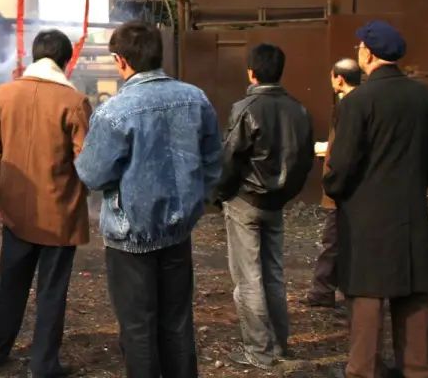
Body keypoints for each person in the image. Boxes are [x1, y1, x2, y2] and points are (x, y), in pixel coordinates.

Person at [75, 21, 221, 378]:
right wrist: (193, 200)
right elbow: (213, 163)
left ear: (120, 60)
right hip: (179, 232)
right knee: (177, 323)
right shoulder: (195, 99)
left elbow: (92, 174)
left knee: (138, 329)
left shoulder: (114, 112)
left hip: (131, 238)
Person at [324, 20, 428, 378]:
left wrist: (336, 188)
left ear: (368, 53)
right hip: (410, 205)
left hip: (365, 211)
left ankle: (363, 369)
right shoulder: (426, 97)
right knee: (413, 289)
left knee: (366, 291)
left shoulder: (357, 102)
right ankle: (416, 368)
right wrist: (417, 180)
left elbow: (343, 163)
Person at [0, 30, 93, 378]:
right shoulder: (74, 101)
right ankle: (43, 365)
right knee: (51, 292)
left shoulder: (3, 94)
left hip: (16, 210)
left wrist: (3, 190)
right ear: (66, 60)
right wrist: (81, 193)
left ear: (34, 55)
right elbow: (87, 162)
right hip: (60, 213)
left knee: (10, 283)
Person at [214, 43, 314, 370]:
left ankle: (258, 351)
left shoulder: (246, 108)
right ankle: (279, 344)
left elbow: (229, 158)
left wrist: (219, 194)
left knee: (249, 279)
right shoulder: (298, 110)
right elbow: (304, 160)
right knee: (273, 274)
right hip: (275, 204)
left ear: (251, 72)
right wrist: (286, 194)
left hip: (245, 201)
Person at [304, 58, 362, 309]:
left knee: (333, 240)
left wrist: (331, 181)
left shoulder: (348, 105)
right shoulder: (361, 103)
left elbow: (343, 149)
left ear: (339, 78)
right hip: (356, 186)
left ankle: (323, 291)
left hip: (341, 185)